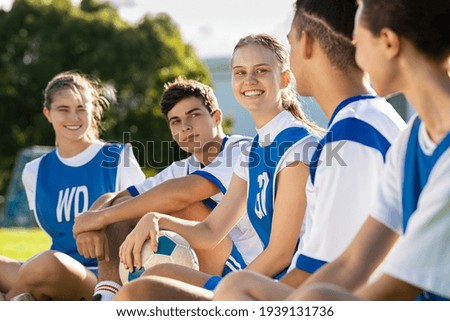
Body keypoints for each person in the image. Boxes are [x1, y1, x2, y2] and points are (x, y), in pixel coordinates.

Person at [213, 0, 406, 300]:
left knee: (233, 289)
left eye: (290, 43)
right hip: (339, 291)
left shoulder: (351, 136)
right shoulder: (370, 119)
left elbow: (327, 277)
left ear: (308, 44)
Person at [114, 33, 323, 301]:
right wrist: (155, 218)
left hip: (295, 289)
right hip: (261, 281)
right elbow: (210, 232)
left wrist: (226, 292)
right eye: (240, 72)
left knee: (140, 294)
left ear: (283, 79)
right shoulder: (252, 151)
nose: (249, 80)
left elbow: (281, 254)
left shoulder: (297, 146)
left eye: (261, 70)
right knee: (159, 274)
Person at [282, 0, 450, 301]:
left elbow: (396, 288)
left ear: (388, 42)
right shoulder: (410, 139)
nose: (354, 55)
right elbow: (352, 264)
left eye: (358, 43)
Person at [72, 77, 262, 300]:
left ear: (216, 117)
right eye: (176, 121)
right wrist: (90, 223)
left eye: (194, 115)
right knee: (126, 208)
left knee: (176, 204)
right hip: (210, 254)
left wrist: (101, 218)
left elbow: (183, 193)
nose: (186, 127)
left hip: (248, 267)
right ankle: (105, 296)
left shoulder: (243, 150)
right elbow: (116, 197)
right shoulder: (183, 168)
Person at [0, 71, 145, 301]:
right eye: (63, 109)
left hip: (102, 277)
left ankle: (10, 301)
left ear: (93, 111)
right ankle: (28, 297)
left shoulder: (118, 157)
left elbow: (142, 214)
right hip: (48, 270)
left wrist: (100, 222)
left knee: (49, 262)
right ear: (47, 113)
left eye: (81, 108)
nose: (73, 117)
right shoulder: (34, 171)